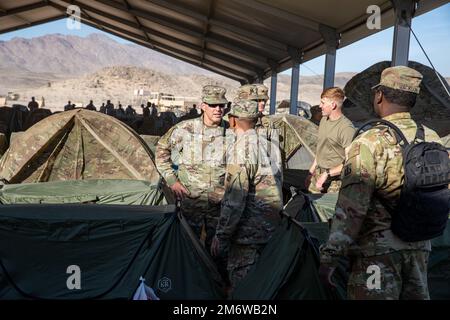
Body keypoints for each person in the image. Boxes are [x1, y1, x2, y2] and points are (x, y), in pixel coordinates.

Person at [319, 66, 445, 300]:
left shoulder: (368, 141)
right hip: (419, 249)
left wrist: (330, 257)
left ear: (379, 95)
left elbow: (351, 209)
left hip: (376, 256)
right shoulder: (431, 137)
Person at [155, 85, 232, 282]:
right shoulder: (184, 129)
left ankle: (214, 285)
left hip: (219, 205)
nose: (218, 109)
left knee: (218, 251)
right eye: (213, 105)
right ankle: (187, 283)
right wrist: (172, 180)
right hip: (191, 201)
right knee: (187, 246)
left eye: (222, 105)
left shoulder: (230, 132)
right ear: (202, 106)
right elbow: (161, 151)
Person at [211, 99, 283, 290]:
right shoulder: (270, 146)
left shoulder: (241, 150)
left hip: (247, 236)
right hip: (270, 230)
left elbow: (235, 199)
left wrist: (221, 235)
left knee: (245, 290)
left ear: (233, 120)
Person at [306, 87, 355, 193]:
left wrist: (328, 173)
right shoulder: (324, 120)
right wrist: (311, 172)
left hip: (335, 182)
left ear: (333, 105)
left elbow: (350, 163)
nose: (320, 106)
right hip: (318, 175)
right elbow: (320, 149)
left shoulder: (346, 128)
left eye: (323, 103)